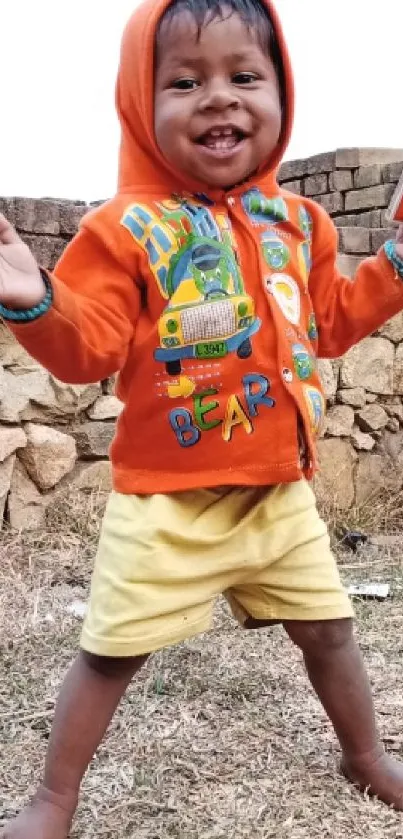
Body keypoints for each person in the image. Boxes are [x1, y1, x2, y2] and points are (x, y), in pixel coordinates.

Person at [2, 0, 403, 834]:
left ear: (281, 94)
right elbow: (90, 348)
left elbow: (330, 320)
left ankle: (362, 756)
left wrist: (395, 261)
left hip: (279, 497)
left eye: (244, 76)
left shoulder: (301, 224)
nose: (219, 97)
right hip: (165, 505)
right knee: (111, 652)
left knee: (330, 633)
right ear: (139, 109)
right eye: (184, 81)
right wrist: (36, 299)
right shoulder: (124, 231)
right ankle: (53, 798)